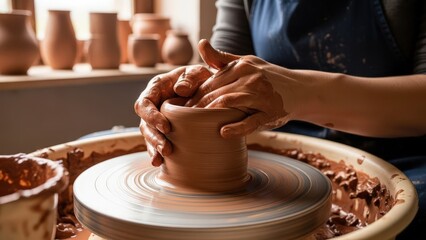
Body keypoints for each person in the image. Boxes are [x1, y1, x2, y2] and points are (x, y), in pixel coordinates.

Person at [134, 1, 426, 239]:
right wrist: (183, 100)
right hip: (271, 145)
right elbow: (219, 65)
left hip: (393, 152)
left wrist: (301, 93)